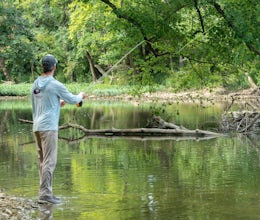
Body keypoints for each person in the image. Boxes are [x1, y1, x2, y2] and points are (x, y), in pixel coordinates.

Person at [31, 54, 86, 204]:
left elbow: (42, 102)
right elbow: (74, 100)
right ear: (54, 66)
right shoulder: (55, 84)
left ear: (43, 67)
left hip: (37, 127)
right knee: (49, 162)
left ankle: (44, 193)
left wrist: (58, 103)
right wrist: (81, 95)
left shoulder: (36, 84)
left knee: (43, 162)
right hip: (48, 128)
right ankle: (45, 195)